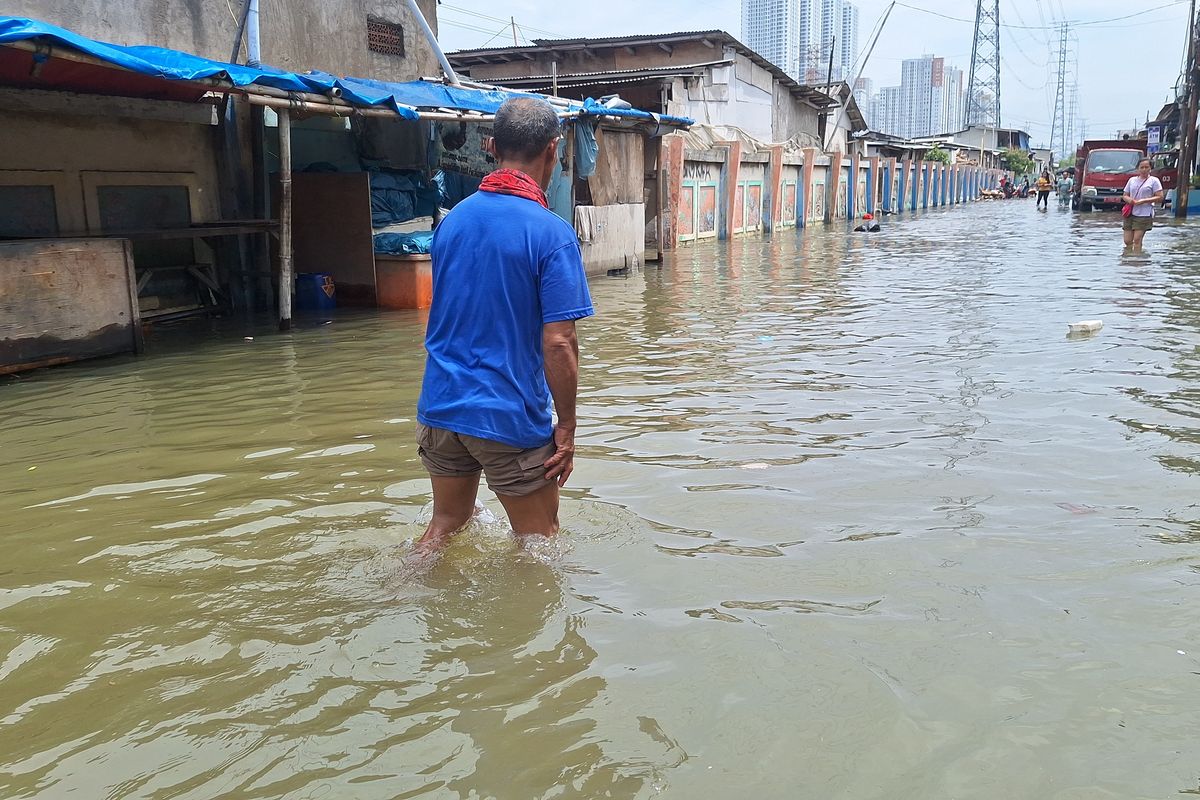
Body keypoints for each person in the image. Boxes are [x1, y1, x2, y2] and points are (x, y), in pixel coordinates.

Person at [414, 97, 594, 554]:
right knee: (540, 543)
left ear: (491, 146)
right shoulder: (552, 234)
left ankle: (397, 595)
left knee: (445, 526)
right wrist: (567, 427)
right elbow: (559, 342)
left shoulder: (451, 223)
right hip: (506, 415)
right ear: (554, 150)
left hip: (441, 406)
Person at [1121, 157, 1164, 252]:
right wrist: (1130, 200)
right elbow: (1125, 195)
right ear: (1138, 168)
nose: (1144, 169)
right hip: (1130, 213)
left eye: (1146, 167)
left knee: (1137, 239)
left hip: (1144, 213)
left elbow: (1160, 197)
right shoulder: (1132, 180)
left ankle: (1137, 260)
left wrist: (1144, 201)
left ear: (1150, 168)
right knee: (1127, 241)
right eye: (1142, 167)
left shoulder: (1154, 181)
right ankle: (1128, 258)